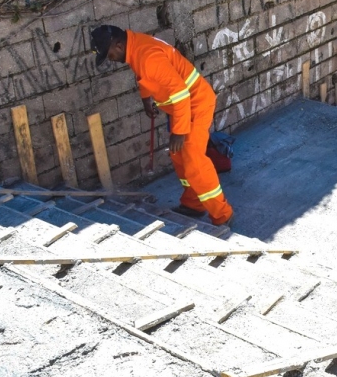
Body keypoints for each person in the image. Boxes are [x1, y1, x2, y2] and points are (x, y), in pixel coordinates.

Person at [90, 25, 234, 226]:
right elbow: (144, 75)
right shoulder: (135, 46)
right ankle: (193, 204)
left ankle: (222, 214)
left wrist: (179, 131)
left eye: (110, 54)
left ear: (119, 45)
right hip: (182, 106)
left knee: (193, 158)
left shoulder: (147, 57)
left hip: (195, 103)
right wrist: (146, 99)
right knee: (179, 156)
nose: (110, 59)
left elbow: (181, 93)